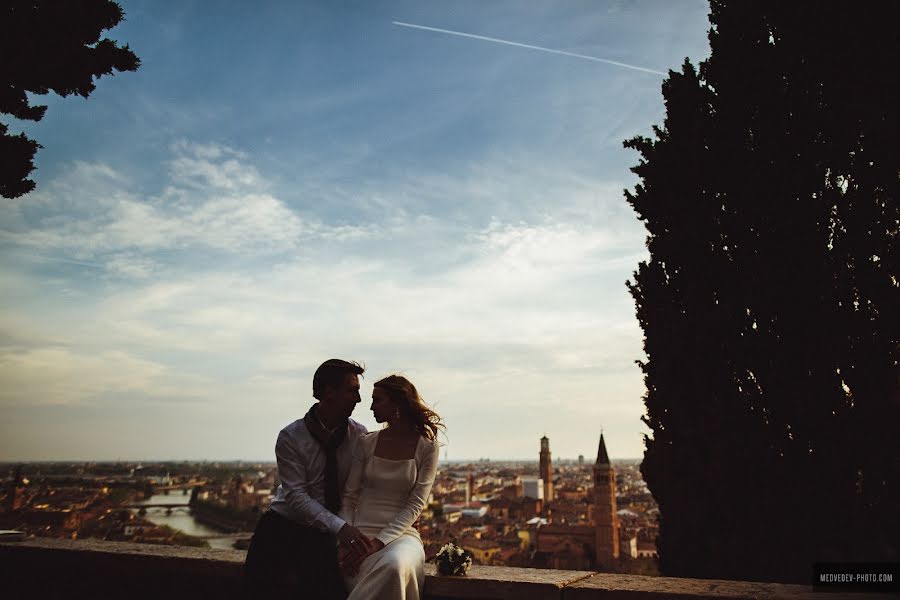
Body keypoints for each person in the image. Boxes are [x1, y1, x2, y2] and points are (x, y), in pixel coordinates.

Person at [242, 358, 376, 598]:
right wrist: (341, 528)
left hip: (328, 534)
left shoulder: (359, 434)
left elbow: (366, 485)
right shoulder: (291, 437)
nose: (358, 399)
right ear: (329, 392)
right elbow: (296, 496)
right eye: (352, 391)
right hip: (284, 529)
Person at [338, 374, 443, 600]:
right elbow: (349, 497)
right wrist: (347, 540)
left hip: (401, 536)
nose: (371, 406)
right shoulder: (366, 442)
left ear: (397, 404)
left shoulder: (427, 447)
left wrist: (380, 542)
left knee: (395, 566)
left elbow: (416, 504)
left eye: (377, 400)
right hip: (360, 537)